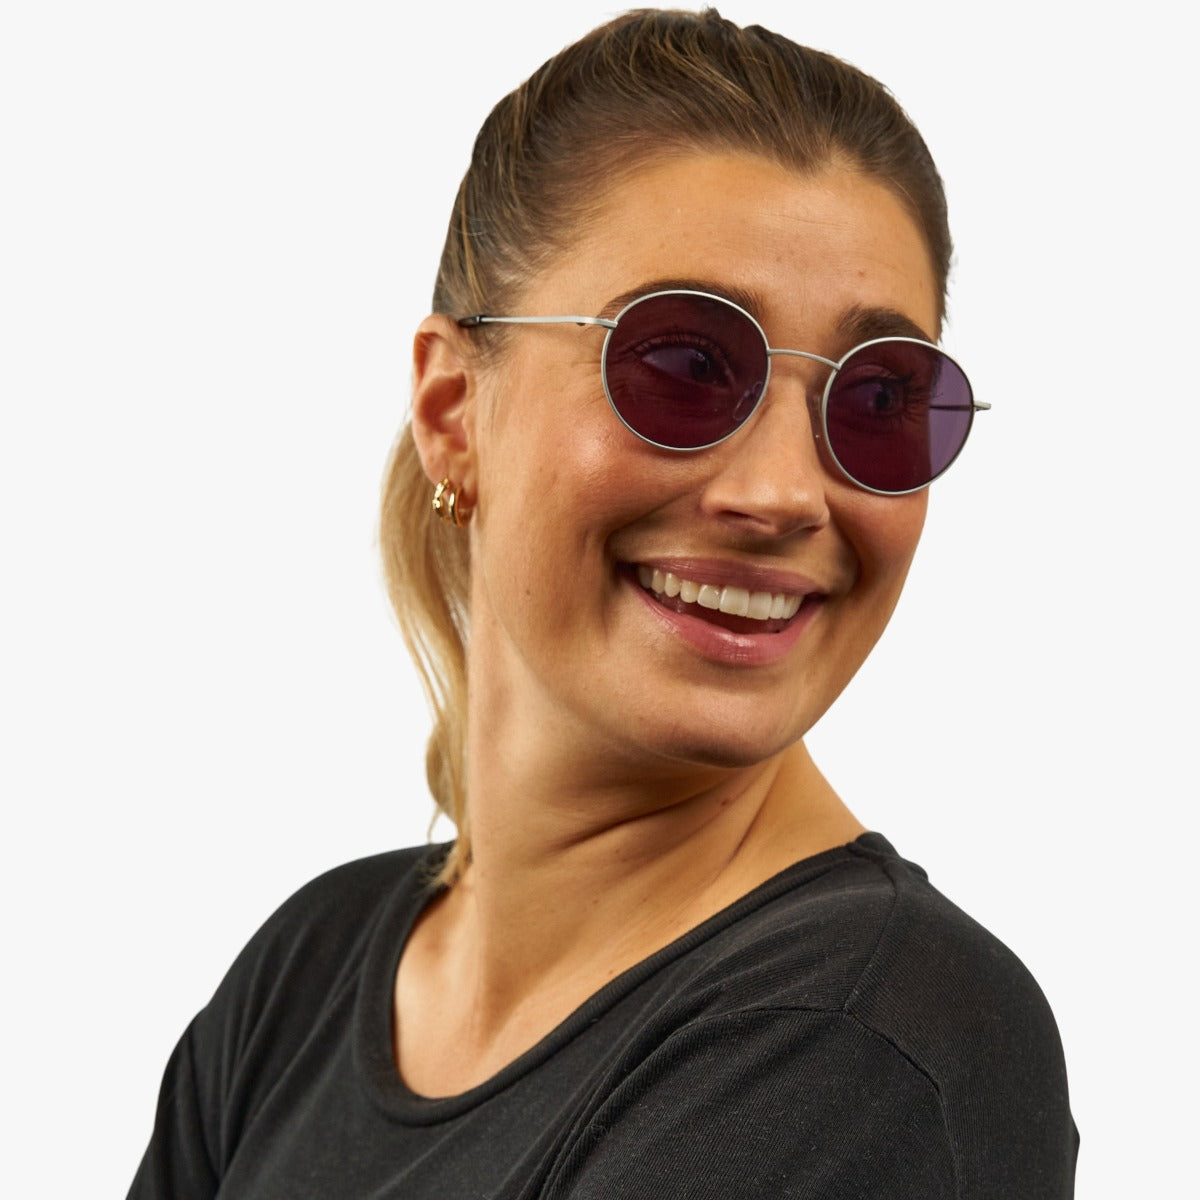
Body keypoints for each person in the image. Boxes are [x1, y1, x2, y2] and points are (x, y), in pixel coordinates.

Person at [128, 8, 1077, 1197]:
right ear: (454, 413)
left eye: (882, 399)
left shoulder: (867, 1040)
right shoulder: (304, 977)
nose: (783, 494)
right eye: (683, 365)